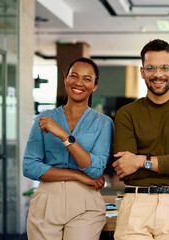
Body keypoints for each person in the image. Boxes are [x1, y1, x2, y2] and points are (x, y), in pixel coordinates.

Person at [112, 39, 169, 240]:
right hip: (135, 202)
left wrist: (139, 160)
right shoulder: (126, 114)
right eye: (151, 68)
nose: (158, 74)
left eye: (165, 67)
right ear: (142, 72)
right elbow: (126, 172)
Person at [23, 57, 113, 240]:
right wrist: (78, 175)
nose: (79, 82)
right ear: (65, 79)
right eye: (74, 76)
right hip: (47, 200)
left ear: (95, 85)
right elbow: (30, 167)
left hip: (86, 202)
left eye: (87, 79)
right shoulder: (44, 118)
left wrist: (64, 135)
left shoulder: (104, 123)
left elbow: (95, 170)